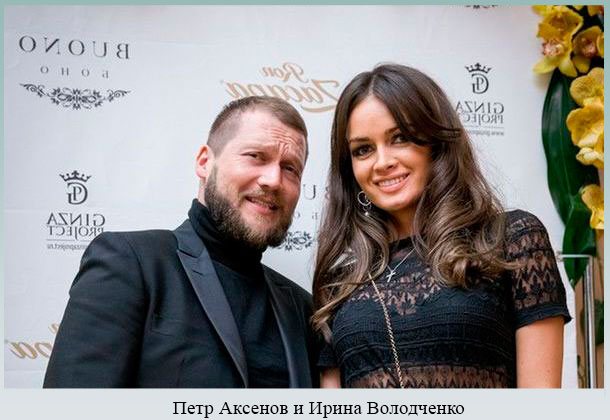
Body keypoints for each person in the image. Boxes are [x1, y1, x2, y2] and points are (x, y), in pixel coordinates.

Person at [312, 64, 571, 388]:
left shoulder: (512, 237)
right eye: (363, 150)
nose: (383, 162)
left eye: (400, 138)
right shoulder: (341, 282)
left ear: (436, 144)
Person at [44, 96, 318, 388]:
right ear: (204, 162)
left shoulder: (303, 309)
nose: (273, 180)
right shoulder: (130, 263)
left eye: (290, 168)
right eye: (255, 156)